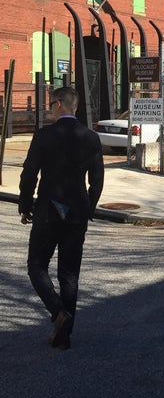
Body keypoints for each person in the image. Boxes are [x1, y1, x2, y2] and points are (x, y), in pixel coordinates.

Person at [18, 86, 104, 350]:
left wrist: (24, 203)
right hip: (77, 212)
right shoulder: (91, 138)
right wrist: (88, 207)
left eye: (50, 105)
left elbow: (29, 173)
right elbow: (97, 181)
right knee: (69, 274)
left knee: (36, 266)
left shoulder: (44, 135)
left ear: (58, 105)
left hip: (48, 210)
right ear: (74, 107)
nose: (49, 109)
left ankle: (58, 314)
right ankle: (63, 336)